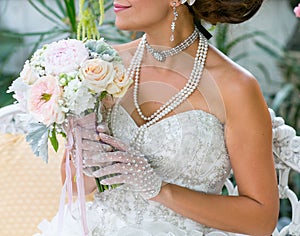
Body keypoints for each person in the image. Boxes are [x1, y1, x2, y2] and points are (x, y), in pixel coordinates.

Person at [36, 0, 279, 235]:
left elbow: (261, 220)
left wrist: (159, 190)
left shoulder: (235, 87)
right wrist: (88, 155)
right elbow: (76, 186)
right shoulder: (100, 70)